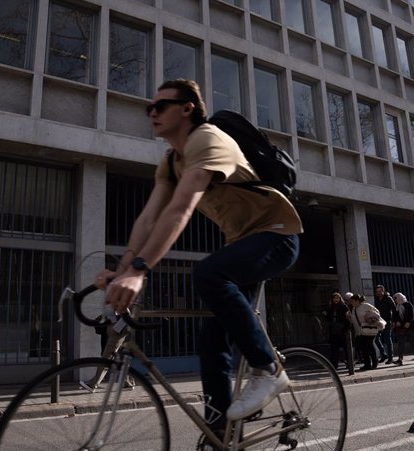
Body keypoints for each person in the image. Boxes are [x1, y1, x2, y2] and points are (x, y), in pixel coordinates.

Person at [94, 79, 303, 432]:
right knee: (211, 342)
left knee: (209, 274)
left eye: (160, 106)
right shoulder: (172, 161)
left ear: (187, 108)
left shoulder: (208, 140)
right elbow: (149, 216)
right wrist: (125, 267)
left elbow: (180, 210)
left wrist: (140, 270)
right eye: (149, 108)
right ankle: (218, 436)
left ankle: (267, 368)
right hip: (244, 242)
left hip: (277, 236)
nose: (152, 113)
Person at [347, 294, 382, 371]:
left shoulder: (366, 306)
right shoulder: (353, 309)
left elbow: (377, 313)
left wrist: (371, 319)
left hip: (369, 329)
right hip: (359, 332)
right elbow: (353, 321)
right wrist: (349, 317)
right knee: (363, 348)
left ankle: (375, 362)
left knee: (369, 346)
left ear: (357, 301)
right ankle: (367, 364)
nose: (351, 303)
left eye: (352, 301)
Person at [391, 293, 414, 365]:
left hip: (410, 327)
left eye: (396, 299)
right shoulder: (397, 307)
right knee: (400, 342)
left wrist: (408, 322)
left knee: (412, 341)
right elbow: (394, 316)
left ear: (400, 298)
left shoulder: (408, 304)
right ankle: (400, 359)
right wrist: (395, 322)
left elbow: (412, 314)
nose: (395, 300)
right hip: (400, 327)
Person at [323, 292, 350, 369]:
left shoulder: (344, 307)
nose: (336, 299)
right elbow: (327, 318)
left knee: (346, 348)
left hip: (342, 331)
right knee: (334, 349)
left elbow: (348, 319)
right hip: (333, 331)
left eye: (337, 298)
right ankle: (334, 365)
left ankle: (349, 363)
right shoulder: (330, 307)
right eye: (334, 298)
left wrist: (345, 327)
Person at [373, 285, 395, 365]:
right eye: (377, 291)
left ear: (383, 291)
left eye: (379, 291)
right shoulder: (377, 299)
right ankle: (383, 355)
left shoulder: (388, 298)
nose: (378, 293)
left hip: (388, 322)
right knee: (376, 339)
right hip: (380, 322)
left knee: (387, 339)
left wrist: (393, 321)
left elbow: (394, 309)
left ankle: (390, 358)